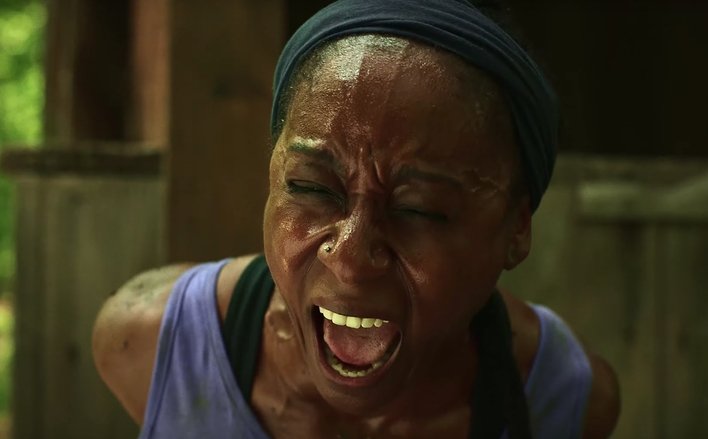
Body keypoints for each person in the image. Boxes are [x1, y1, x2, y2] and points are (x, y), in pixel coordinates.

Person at [92, 0, 620, 438]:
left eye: (419, 208)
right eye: (312, 188)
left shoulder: (562, 400)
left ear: (516, 228)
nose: (348, 258)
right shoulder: (154, 347)